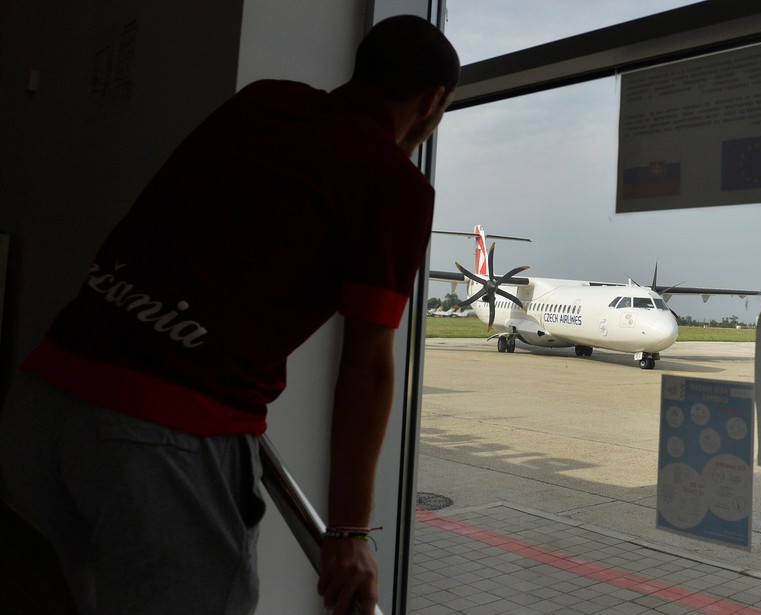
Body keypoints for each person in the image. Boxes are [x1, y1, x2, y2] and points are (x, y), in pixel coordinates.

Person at [0, 14, 459, 615]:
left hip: (42, 405)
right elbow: (368, 367)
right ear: (433, 101)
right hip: (159, 438)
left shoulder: (264, 101)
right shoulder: (395, 184)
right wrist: (349, 531)